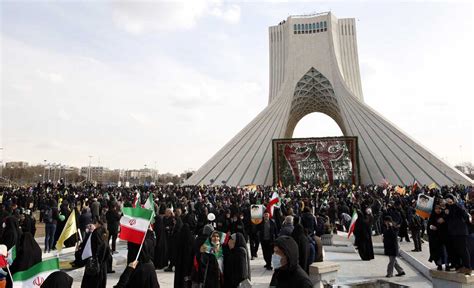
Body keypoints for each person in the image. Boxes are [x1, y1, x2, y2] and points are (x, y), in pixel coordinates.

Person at [444, 193, 471, 274]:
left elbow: (465, 215)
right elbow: (448, 219)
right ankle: (461, 266)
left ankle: (468, 267)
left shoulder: (458, 206)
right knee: (457, 250)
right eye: (446, 199)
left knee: (463, 250)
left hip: (461, 232)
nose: (448, 200)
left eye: (449, 199)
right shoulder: (448, 209)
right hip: (453, 233)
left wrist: (453, 204)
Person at [81, 220, 109, 288]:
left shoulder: (95, 233)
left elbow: (90, 249)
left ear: (97, 223)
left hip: (95, 263)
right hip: (102, 265)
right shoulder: (105, 234)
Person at [174, 223, 194, 288]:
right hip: (188, 263)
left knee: (179, 278)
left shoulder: (179, 237)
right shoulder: (191, 238)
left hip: (179, 262)